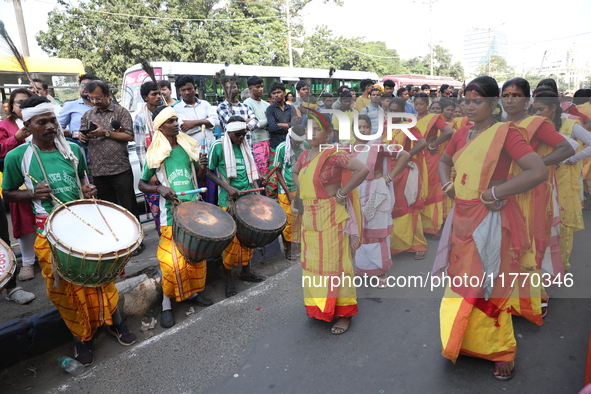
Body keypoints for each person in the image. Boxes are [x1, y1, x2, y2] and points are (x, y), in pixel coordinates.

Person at [2, 96, 136, 366]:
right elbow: (7, 193)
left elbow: (85, 179)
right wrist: (30, 193)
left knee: (102, 279)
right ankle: (80, 337)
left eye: (53, 120)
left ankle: (115, 322)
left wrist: (88, 189)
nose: (51, 126)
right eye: (43, 122)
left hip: (82, 227)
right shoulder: (18, 156)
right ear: (28, 124)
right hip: (48, 233)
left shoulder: (72, 149)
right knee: (65, 290)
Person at [434, 76, 548, 380]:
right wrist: (448, 183)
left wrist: (497, 193)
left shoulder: (505, 134)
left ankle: (500, 349)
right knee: (461, 280)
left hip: (491, 218)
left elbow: (536, 171)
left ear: (493, 103)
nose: (469, 107)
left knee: (491, 282)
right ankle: (462, 339)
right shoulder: (461, 134)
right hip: (461, 217)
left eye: (477, 101)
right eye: (465, 100)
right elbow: (444, 162)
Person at [501, 78, 575, 321]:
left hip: (533, 193)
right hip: (507, 191)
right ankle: (509, 296)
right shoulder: (500, 124)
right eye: (506, 95)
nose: (510, 99)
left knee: (532, 241)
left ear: (527, 99)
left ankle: (536, 296)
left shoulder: (537, 123)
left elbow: (566, 149)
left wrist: (532, 167)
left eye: (516, 95)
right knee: (510, 243)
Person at [292, 112, 369, 334]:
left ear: (330, 133)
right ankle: (319, 306)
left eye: (317, 129)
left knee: (336, 266)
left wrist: (343, 192)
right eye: (308, 129)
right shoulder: (305, 155)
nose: (312, 133)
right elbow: (295, 172)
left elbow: (362, 170)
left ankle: (344, 314)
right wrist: (303, 189)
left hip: (331, 217)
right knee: (313, 265)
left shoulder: (334, 154)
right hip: (310, 219)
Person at [138, 106, 213, 328]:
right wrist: (159, 188)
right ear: (160, 126)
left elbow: (198, 178)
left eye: (176, 119)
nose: (176, 123)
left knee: (195, 258)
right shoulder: (155, 153)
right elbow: (141, 183)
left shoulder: (187, 146)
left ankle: (193, 294)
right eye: (171, 121)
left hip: (193, 211)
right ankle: (166, 305)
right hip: (170, 215)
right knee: (170, 263)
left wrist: (201, 168)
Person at [78, 81, 143, 254]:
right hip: (98, 171)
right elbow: (82, 136)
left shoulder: (120, 112)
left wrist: (105, 133)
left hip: (120, 168)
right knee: (109, 210)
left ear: (107, 95)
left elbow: (129, 135)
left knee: (129, 206)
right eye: (91, 98)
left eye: (98, 98)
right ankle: (118, 243)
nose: (95, 102)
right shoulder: (87, 115)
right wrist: (83, 138)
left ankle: (136, 242)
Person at [532, 91, 591, 271]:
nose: (537, 113)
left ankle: (561, 265)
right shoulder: (537, 124)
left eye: (540, 109)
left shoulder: (569, 123)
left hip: (564, 179)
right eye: (534, 109)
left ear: (553, 108)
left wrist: (572, 159)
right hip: (544, 179)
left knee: (563, 223)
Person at [206, 116, 265, 298]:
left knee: (249, 239)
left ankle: (246, 271)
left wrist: (258, 189)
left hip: (247, 201)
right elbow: (209, 172)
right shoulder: (218, 146)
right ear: (229, 132)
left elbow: (251, 172)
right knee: (230, 244)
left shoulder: (245, 146)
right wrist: (227, 187)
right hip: (228, 202)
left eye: (243, 134)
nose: (241, 138)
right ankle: (229, 280)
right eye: (238, 135)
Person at [351, 114, 410, 285]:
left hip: (375, 193)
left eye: (365, 127)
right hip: (355, 194)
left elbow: (404, 155)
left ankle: (379, 272)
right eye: (358, 127)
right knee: (359, 232)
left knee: (376, 233)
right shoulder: (347, 148)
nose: (362, 130)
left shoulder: (377, 146)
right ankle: (362, 269)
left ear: (371, 130)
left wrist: (389, 177)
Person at [0, 88, 38, 281]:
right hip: (18, 181)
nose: (22, 106)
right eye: (18, 102)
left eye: (26, 101)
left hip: (43, 177)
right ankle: (28, 262)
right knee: (24, 221)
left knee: (46, 216)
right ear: (11, 105)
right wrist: (16, 137)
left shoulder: (41, 119)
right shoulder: (5, 125)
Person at [385, 98, 428, 259]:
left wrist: (407, 156)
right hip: (389, 172)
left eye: (396, 111)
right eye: (390, 110)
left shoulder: (406, 126)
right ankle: (395, 244)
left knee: (408, 206)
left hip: (405, 172)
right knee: (392, 206)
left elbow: (422, 142)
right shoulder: (386, 128)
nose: (392, 113)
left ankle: (418, 244)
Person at [413, 93, 453, 239]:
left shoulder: (433, 118)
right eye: (416, 104)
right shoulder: (412, 119)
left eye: (421, 104)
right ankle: (422, 225)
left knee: (431, 188)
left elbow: (448, 131)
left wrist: (433, 144)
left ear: (427, 105)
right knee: (419, 187)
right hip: (417, 156)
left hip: (430, 157)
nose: (418, 107)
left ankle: (434, 226)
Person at [268, 125, 306, 260]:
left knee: (302, 218)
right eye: (296, 142)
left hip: (301, 188)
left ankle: (300, 246)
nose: (297, 144)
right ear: (290, 138)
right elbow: (277, 171)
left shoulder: (304, 146)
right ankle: (289, 249)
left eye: (300, 142)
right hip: (286, 190)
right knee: (289, 221)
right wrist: (288, 193)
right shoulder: (282, 148)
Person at [133, 81, 164, 232]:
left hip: (168, 166)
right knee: (158, 210)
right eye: (154, 94)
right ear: (145, 97)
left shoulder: (166, 113)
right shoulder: (140, 118)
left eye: (159, 93)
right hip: (152, 169)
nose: (158, 97)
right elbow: (140, 150)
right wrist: (150, 172)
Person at [173, 75, 219, 144]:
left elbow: (216, 121)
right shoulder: (177, 109)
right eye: (183, 90)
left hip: (211, 148)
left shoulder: (205, 104)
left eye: (189, 89)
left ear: (195, 88)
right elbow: (186, 129)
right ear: (179, 91)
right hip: (194, 151)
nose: (187, 92)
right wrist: (207, 122)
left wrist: (195, 123)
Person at [244, 76, 271, 180]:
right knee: (261, 174)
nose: (261, 89)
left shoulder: (266, 104)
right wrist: (268, 121)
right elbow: (253, 124)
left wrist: (261, 122)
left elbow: (259, 123)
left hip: (269, 140)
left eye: (262, 86)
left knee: (270, 172)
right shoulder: (247, 104)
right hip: (256, 142)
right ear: (250, 88)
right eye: (258, 87)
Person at [58, 74, 99, 138]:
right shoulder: (70, 106)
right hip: (78, 145)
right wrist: (68, 133)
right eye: (82, 85)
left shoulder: (105, 107)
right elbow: (57, 128)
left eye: (88, 85)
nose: (85, 87)